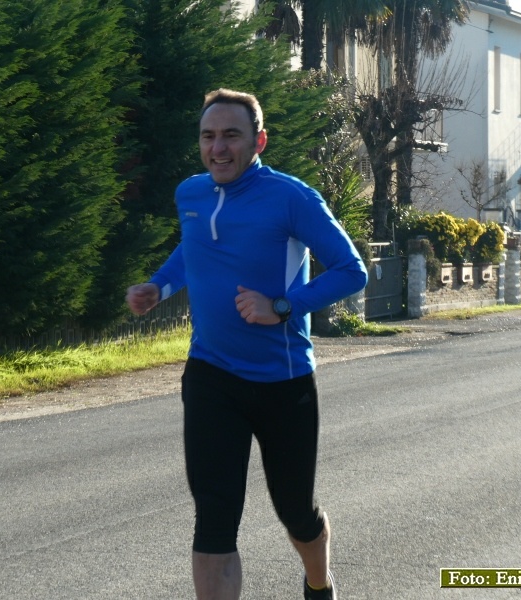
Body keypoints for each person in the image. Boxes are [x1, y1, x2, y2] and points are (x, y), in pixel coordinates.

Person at [126, 89, 368, 600]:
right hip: (211, 375)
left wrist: (281, 306)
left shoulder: (292, 198)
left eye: (231, 136)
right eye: (208, 136)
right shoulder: (190, 194)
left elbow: (351, 270)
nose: (218, 148)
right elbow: (194, 246)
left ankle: (319, 583)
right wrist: (158, 287)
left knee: (295, 510)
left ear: (258, 141)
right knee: (214, 515)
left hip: (283, 380)